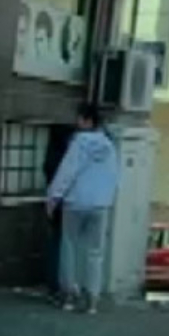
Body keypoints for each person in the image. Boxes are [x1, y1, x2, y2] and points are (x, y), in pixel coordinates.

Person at [46, 104, 120, 314]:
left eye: (80, 119)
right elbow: (115, 177)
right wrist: (107, 198)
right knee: (95, 252)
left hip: (76, 202)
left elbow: (66, 172)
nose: (77, 123)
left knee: (69, 247)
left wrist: (53, 198)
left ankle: (69, 295)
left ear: (88, 121)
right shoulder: (109, 146)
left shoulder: (79, 143)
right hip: (100, 205)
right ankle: (92, 300)